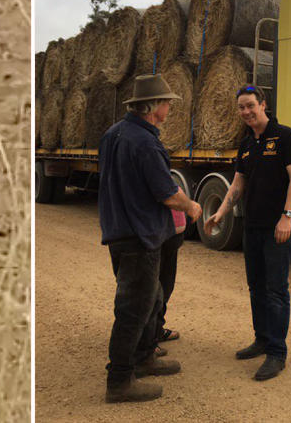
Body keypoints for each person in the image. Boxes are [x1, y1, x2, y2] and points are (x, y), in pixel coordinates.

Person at [98, 73, 203, 403]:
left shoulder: (113, 134)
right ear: (154, 106)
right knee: (133, 307)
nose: (171, 106)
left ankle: (144, 358)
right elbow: (167, 194)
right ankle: (119, 381)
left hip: (121, 230)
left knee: (152, 298)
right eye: (167, 102)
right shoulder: (144, 142)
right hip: (139, 236)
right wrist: (192, 206)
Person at [204, 85, 291, 381]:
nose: (246, 112)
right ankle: (261, 339)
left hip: (277, 228)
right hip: (252, 227)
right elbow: (238, 183)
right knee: (256, 287)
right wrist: (221, 211)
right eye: (241, 108)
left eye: (250, 106)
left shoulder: (285, 136)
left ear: (263, 104)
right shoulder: (246, 144)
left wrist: (286, 217)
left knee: (276, 289)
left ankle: (277, 352)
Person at [154, 210, 186, 354]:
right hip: (156, 233)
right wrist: (189, 205)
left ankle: (157, 330)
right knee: (153, 291)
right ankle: (146, 341)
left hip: (171, 233)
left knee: (166, 287)